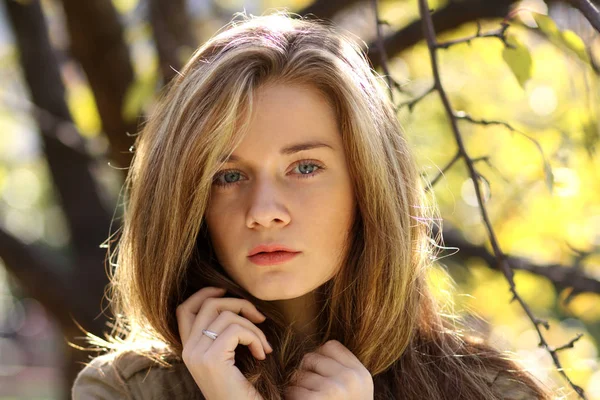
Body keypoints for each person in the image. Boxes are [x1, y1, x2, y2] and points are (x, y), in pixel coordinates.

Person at [71, 9, 555, 400]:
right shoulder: (124, 391)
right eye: (228, 176)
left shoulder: (489, 391)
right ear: (189, 201)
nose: (263, 211)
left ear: (368, 185)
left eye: (304, 167)